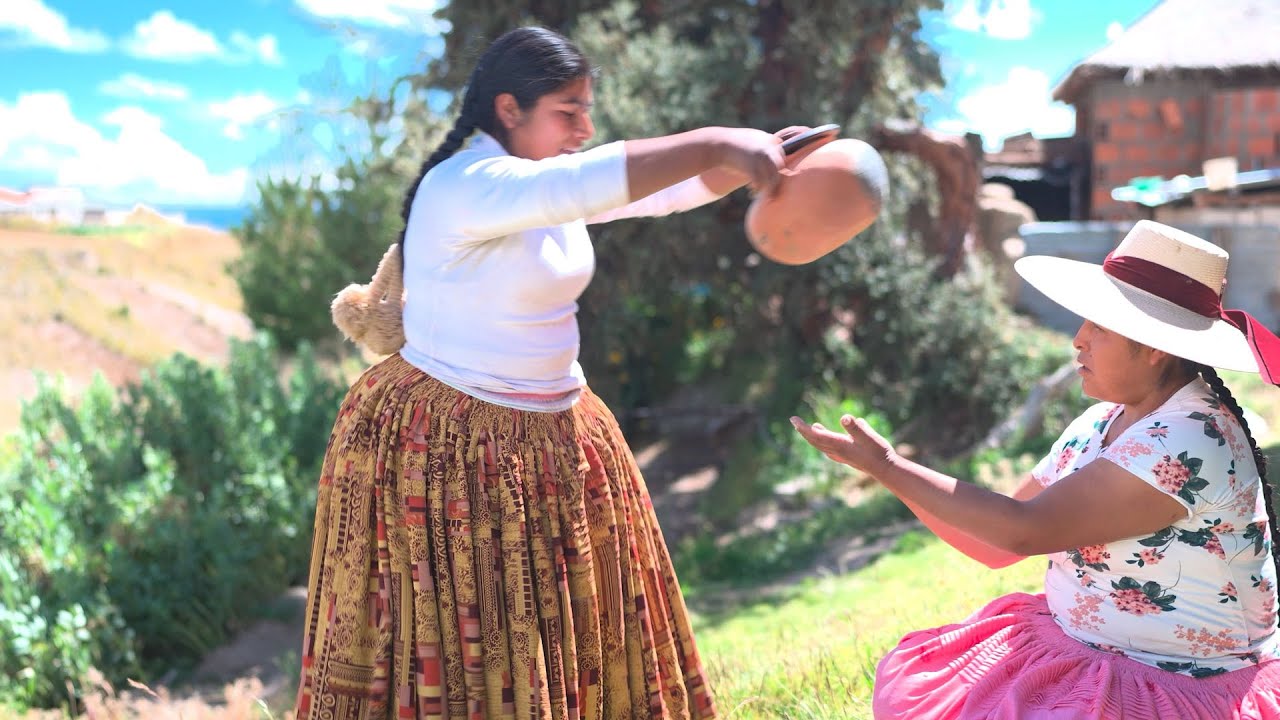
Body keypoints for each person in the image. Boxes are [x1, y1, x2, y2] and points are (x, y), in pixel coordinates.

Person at [294, 25, 797, 720]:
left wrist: (754, 161)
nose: (584, 125)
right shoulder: (467, 183)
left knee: (576, 633)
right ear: (509, 109)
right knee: (483, 647)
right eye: (569, 109)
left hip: (554, 436)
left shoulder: (537, 189)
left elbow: (659, 193)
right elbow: (589, 179)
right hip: (449, 450)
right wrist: (720, 141)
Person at [792, 220, 1280, 719]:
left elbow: (1023, 532)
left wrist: (890, 465)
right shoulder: (1102, 421)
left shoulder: (1191, 437)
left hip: (1178, 683)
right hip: (1090, 646)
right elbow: (992, 543)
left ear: (1154, 347)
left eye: (1099, 327)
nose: (1077, 340)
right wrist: (885, 473)